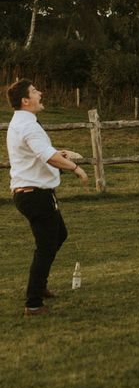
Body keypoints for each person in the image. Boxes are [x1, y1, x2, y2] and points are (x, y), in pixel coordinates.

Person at [6, 79, 89, 316]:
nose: (40, 93)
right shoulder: (28, 125)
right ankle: (33, 302)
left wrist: (57, 153)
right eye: (34, 91)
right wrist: (74, 167)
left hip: (34, 193)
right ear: (25, 100)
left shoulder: (23, 122)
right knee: (45, 246)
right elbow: (46, 156)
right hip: (34, 195)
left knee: (58, 235)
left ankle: (40, 286)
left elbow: (41, 153)